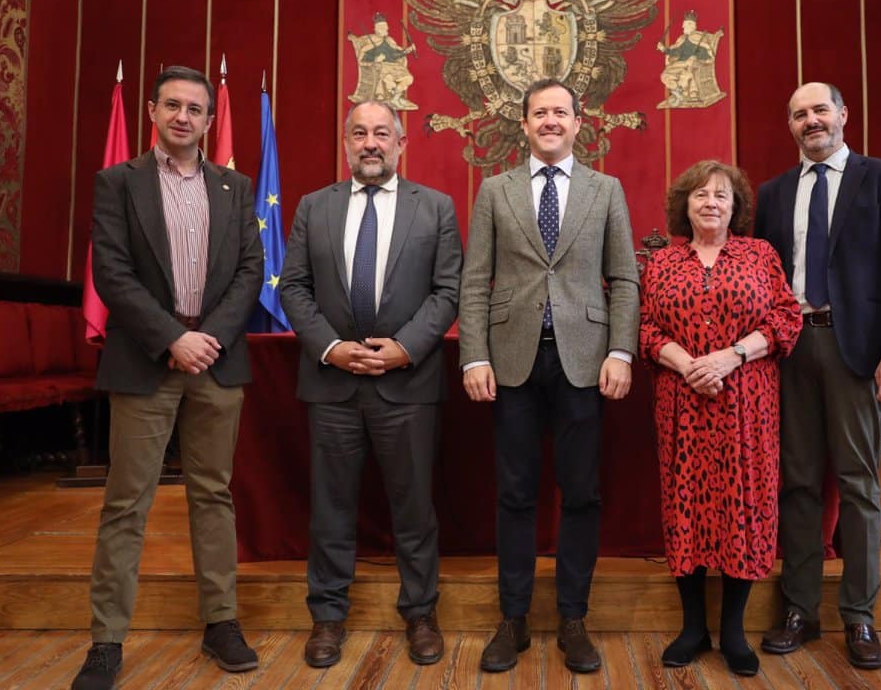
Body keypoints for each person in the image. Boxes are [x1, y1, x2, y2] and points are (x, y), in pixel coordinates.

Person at [74, 66, 264, 690]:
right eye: (173, 105)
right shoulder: (117, 182)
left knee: (213, 494)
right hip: (145, 359)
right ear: (152, 112)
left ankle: (221, 621)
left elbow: (250, 270)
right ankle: (106, 640)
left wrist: (207, 340)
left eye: (196, 109)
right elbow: (112, 272)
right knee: (127, 502)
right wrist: (171, 339)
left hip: (216, 358)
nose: (184, 117)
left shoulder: (236, 187)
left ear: (209, 120)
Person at [460, 78, 640, 674]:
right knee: (514, 493)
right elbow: (474, 280)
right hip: (511, 360)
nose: (550, 121)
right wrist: (474, 356)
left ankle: (572, 619)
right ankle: (513, 619)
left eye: (560, 112)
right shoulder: (495, 190)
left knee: (580, 493)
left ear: (578, 122)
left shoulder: (606, 189)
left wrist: (621, 351)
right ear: (524, 124)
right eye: (540, 113)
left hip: (584, 361)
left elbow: (625, 279)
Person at [280, 99, 462, 669]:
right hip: (331, 383)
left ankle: (421, 613)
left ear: (401, 144)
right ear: (346, 144)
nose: (370, 143)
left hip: (407, 383)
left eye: (382, 133)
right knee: (331, 508)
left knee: (414, 509)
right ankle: (327, 617)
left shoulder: (435, 207)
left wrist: (405, 347)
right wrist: (331, 348)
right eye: (359, 133)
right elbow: (293, 288)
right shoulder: (315, 206)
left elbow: (448, 290)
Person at [754, 82, 881, 670]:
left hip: (858, 351)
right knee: (798, 482)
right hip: (791, 349)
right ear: (790, 126)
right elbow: (762, 277)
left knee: (858, 483)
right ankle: (799, 609)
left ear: (843, 115)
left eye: (820, 110)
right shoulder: (773, 193)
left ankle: (859, 616)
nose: (811, 121)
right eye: (799, 114)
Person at [639, 161, 801, 676]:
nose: (711, 203)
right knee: (684, 503)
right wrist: (689, 366)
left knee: (744, 504)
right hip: (681, 400)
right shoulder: (662, 262)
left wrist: (730, 357)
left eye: (721, 196)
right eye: (700, 195)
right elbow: (645, 328)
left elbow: (785, 318)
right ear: (684, 206)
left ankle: (733, 631)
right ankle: (693, 628)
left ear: (737, 207)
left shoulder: (760, 254)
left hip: (747, 401)